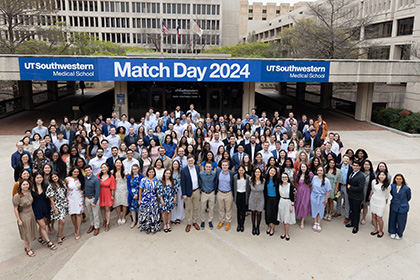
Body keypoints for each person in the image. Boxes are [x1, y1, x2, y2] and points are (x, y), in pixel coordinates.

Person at [13, 179, 38, 257]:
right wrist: (19, 220)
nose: (25, 186)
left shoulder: (30, 192)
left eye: (27, 184)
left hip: (31, 213)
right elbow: (15, 209)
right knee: (26, 233)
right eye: (23, 184)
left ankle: (27, 246)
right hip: (23, 215)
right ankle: (28, 249)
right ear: (20, 186)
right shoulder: (17, 196)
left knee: (30, 231)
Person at [31, 173, 57, 251]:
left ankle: (40, 237)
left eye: (40, 177)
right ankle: (49, 242)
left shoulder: (46, 186)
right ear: (34, 179)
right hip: (36, 209)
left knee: (43, 224)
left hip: (45, 208)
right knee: (42, 226)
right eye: (37, 178)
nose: (39, 179)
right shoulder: (31, 188)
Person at [181, 155, 201, 232]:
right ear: (187, 161)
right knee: (188, 208)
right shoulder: (184, 170)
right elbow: (182, 183)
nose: (190, 162)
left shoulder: (197, 168)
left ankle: (194, 221)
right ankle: (188, 223)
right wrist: (184, 194)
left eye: (192, 161)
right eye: (189, 161)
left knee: (196, 208)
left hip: (196, 191)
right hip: (188, 192)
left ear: (194, 161)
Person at [46, 172, 68, 245]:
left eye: (55, 176)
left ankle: (60, 234)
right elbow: (51, 199)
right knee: (62, 220)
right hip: (56, 205)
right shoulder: (51, 186)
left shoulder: (62, 183)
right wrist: (55, 209)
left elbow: (65, 192)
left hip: (63, 204)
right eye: (53, 177)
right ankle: (59, 236)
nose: (55, 178)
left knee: (61, 221)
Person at [138, 167, 161, 234]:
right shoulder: (143, 180)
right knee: (146, 213)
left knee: (153, 212)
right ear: (147, 172)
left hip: (153, 198)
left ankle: (154, 227)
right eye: (150, 172)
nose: (151, 173)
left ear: (154, 173)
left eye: (152, 172)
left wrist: (157, 198)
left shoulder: (156, 180)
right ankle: (147, 228)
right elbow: (140, 190)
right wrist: (139, 199)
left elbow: (156, 190)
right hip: (145, 198)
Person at [388, 174, 411, 240]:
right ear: (395, 179)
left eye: (400, 179)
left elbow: (408, 197)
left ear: (402, 180)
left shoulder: (406, 188)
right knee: (392, 219)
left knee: (401, 221)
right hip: (394, 205)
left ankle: (399, 233)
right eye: (397, 179)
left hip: (403, 207)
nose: (398, 180)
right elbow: (392, 194)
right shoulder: (392, 186)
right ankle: (392, 231)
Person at [346, 161, 366, 234]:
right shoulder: (352, 172)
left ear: (360, 167)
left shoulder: (361, 176)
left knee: (356, 212)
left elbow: (361, 188)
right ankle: (352, 223)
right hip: (351, 195)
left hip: (357, 197)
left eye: (356, 166)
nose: (355, 167)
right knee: (352, 210)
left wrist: (351, 187)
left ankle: (356, 227)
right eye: (354, 165)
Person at [369, 171, 390, 238]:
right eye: (380, 175)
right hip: (374, 200)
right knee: (373, 215)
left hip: (381, 201)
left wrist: (385, 200)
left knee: (379, 217)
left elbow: (387, 195)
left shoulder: (388, 185)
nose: (381, 176)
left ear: (386, 176)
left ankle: (381, 231)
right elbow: (373, 190)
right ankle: (376, 229)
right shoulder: (374, 181)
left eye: (383, 175)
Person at [216, 159, 235, 231]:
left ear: (228, 166)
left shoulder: (232, 173)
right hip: (220, 192)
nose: (224, 166)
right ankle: (221, 220)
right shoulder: (218, 172)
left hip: (228, 193)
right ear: (221, 165)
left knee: (228, 209)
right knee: (220, 208)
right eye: (223, 165)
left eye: (226, 165)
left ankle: (228, 222)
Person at [65, 167, 84, 240]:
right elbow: (65, 188)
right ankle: (75, 228)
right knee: (72, 214)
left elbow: (83, 188)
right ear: (71, 172)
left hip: (79, 197)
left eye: (77, 172)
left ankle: (78, 230)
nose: (76, 173)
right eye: (74, 172)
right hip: (70, 198)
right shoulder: (67, 179)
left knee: (78, 214)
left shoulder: (80, 179)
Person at [311, 166, 331, 232]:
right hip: (314, 196)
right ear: (316, 171)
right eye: (318, 170)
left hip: (322, 197)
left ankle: (318, 223)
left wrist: (326, 199)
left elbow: (328, 191)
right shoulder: (314, 178)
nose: (319, 172)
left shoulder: (326, 180)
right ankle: (315, 222)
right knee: (314, 209)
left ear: (323, 171)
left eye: (321, 170)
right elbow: (311, 186)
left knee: (320, 210)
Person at [277, 172, 296, 241]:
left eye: (285, 177)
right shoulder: (279, 185)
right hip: (281, 201)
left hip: (288, 202)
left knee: (287, 220)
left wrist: (292, 205)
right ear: (281, 178)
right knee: (282, 219)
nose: (284, 178)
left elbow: (293, 196)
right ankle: (283, 232)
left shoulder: (291, 185)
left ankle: (287, 234)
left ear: (287, 178)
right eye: (283, 177)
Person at [295, 163, 314, 229]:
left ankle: (302, 220)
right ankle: (296, 217)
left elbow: (313, 183)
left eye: (304, 167)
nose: (303, 168)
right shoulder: (298, 173)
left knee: (304, 204)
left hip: (306, 191)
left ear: (307, 168)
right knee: (298, 203)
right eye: (302, 167)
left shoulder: (310, 174)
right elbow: (296, 182)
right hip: (299, 190)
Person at [98, 163, 116, 232]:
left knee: (107, 208)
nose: (103, 169)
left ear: (108, 168)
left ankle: (108, 223)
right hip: (100, 194)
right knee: (101, 207)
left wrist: (112, 195)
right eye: (102, 167)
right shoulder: (98, 176)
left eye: (105, 167)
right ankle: (104, 220)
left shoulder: (111, 176)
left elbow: (113, 187)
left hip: (108, 193)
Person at [84, 165, 101, 236]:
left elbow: (97, 191)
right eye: (86, 171)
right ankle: (92, 225)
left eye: (89, 170)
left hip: (94, 198)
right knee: (90, 213)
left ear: (91, 170)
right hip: (87, 198)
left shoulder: (96, 179)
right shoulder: (84, 178)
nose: (88, 171)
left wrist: (95, 201)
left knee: (95, 214)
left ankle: (97, 227)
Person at [335, 154, 353, 223]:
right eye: (345, 158)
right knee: (338, 199)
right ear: (342, 159)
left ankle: (347, 216)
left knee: (347, 202)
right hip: (339, 186)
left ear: (349, 161)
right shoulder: (338, 166)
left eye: (347, 159)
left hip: (346, 186)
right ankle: (338, 212)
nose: (346, 160)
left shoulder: (351, 168)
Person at [199, 162, 216, 229]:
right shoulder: (201, 174)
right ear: (205, 167)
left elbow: (216, 181)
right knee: (203, 208)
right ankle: (202, 221)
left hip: (211, 192)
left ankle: (210, 220)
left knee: (211, 208)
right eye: (207, 166)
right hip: (204, 193)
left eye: (209, 167)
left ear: (211, 167)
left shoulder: (214, 174)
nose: (208, 168)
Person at [233, 165, 250, 232]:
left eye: (242, 170)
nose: (241, 172)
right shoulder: (235, 177)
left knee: (243, 211)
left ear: (244, 170)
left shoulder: (248, 177)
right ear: (238, 170)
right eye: (240, 170)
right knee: (238, 210)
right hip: (238, 194)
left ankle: (242, 224)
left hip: (244, 195)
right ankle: (238, 224)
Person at [264, 167, 280, 236]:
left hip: (275, 198)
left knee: (274, 213)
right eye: (271, 170)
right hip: (267, 198)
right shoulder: (265, 178)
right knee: (268, 213)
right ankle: (268, 226)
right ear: (268, 171)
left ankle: (273, 227)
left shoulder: (278, 179)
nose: (272, 172)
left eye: (274, 171)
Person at [112, 159, 128, 225]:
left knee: (124, 203)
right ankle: (119, 217)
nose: (118, 164)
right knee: (117, 204)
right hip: (116, 189)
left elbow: (128, 179)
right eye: (117, 163)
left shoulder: (125, 171)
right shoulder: (112, 172)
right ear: (115, 164)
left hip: (124, 189)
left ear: (121, 164)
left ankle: (123, 217)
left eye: (119, 163)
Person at [249, 168, 265, 235]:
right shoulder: (251, 180)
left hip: (260, 198)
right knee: (253, 212)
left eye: (259, 172)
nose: (257, 173)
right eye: (256, 172)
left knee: (259, 213)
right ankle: (253, 226)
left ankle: (257, 227)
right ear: (254, 173)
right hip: (252, 198)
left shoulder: (263, 180)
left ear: (261, 173)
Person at [127, 164, 143, 229]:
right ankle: (134, 221)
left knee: (139, 209)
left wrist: (137, 194)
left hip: (139, 194)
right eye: (133, 169)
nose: (134, 170)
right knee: (132, 209)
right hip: (131, 195)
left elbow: (141, 186)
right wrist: (132, 195)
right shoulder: (129, 177)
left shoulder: (141, 176)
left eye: (136, 169)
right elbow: (128, 186)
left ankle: (139, 221)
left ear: (138, 169)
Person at [361, 159, 375, 225]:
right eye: (365, 164)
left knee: (365, 205)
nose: (366, 166)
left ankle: (363, 217)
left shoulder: (372, 175)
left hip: (366, 191)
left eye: (368, 165)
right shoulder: (360, 172)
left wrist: (370, 194)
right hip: (359, 192)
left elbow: (373, 186)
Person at [170, 160, 185, 225]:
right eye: (174, 164)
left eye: (176, 164)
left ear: (178, 165)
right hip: (171, 190)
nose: (175, 165)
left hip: (179, 189)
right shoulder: (170, 172)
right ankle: (173, 218)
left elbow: (183, 182)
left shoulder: (181, 172)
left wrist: (183, 192)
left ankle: (178, 217)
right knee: (173, 203)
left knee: (180, 204)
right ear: (172, 165)